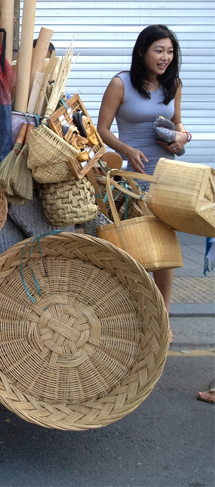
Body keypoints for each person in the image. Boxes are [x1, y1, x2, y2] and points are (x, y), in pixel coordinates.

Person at [97, 25, 191, 343]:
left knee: (165, 250)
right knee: (137, 250)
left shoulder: (173, 84)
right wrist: (125, 150)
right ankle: (137, 312)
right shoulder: (120, 83)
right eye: (159, 50)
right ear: (142, 51)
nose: (165, 57)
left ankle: (162, 316)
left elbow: (177, 123)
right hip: (131, 181)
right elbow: (102, 129)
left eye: (169, 51)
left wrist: (181, 139)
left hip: (164, 177)